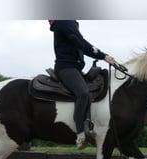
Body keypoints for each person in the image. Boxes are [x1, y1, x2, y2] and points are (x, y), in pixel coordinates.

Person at [49, 20, 116, 149]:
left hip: (75, 67)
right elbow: (80, 42)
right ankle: (80, 132)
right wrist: (103, 56)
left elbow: (79, 43)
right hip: (66, 67)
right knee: (83, 93)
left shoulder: (69, 21)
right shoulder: (64, 21)